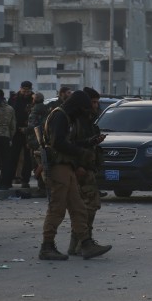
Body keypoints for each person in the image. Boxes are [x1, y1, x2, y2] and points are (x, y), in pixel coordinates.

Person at [39, 90, 112, 261]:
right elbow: (58, 142)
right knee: (57, 208)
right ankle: (47, 246)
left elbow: (68, 142)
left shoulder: (66, 117)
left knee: (78, 207)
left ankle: (86, 244)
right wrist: (80, 152)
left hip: (67, 167)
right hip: (58, 167)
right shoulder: (59, 116)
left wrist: (88, 143)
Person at [67, 87, 109, 256]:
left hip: (88, 168)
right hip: (81, 170)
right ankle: (84, 243)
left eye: (97, 102)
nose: (95, 105)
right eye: (92, 102)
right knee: (87, 207)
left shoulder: (88, 120)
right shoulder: (77, 121)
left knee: (86, 207)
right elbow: (72, 145)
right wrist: (78, 166)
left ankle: (78, 244)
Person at [7, 80, 35, 189]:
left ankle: (25, 180)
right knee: (13, 157)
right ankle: (9, 179)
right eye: (24, 90)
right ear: (21, 88)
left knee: (28, 159)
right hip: (15, 132)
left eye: (28, 91)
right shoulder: (14, 98)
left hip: (28, 132)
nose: (26, 93)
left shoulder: (33, 98)